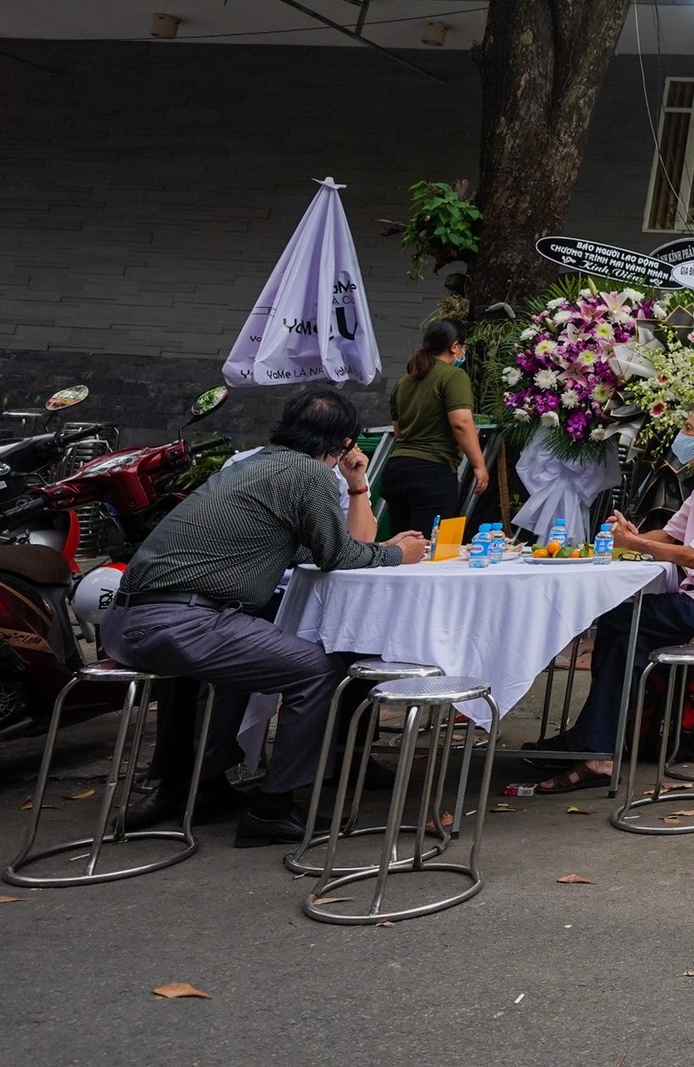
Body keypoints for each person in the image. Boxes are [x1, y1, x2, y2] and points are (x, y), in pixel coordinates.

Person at [99, 388, 426, 846]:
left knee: (249, 659)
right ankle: (272, 808)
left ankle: (206, 783)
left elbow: (328, 548)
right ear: (344, 441)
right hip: (180, 621)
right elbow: (335, 555)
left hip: (126, 621)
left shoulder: (254, 465)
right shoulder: (308, 474)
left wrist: (370, 533)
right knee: (319, 670)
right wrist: (398, 556)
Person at [534, 400, 694, 793]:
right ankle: (595, 742)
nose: (679, 436)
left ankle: (597, 748)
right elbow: (669, 533)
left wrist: (634, 544)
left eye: (687, 427)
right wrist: (628, 537)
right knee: (620, 624)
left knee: (621, 623)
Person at [381, 318, 488, 537]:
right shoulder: (453, 376)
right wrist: (479, 465)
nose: (463, 352)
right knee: (430, 548)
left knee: (400, 548)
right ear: (454, 346)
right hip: (431, 472)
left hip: (396, 469)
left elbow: (399, 432)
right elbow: (461, 422)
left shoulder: (405, 381)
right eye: (464, 346)